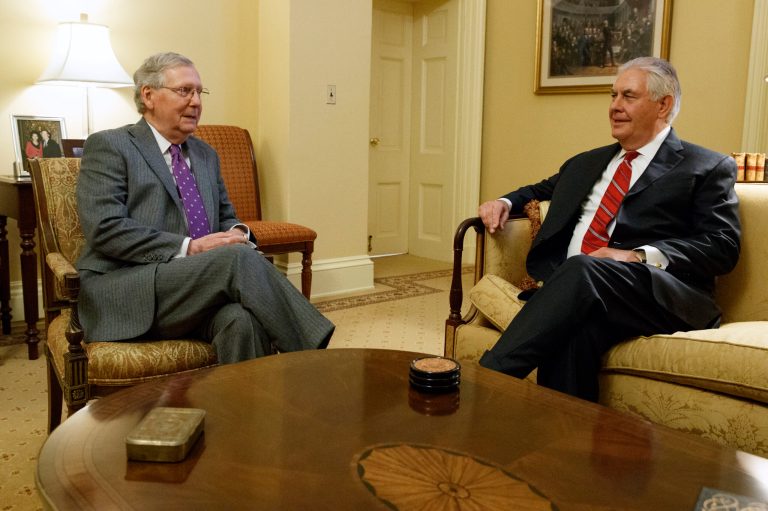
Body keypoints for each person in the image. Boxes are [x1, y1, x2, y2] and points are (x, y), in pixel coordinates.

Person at [477, 57, 740, 402]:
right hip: (582, 291)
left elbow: (722, 245)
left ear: (664, 105)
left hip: (660, 294)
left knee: (585, 268)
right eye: (613, 95)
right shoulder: (587, 162)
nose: (614, 106)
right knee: (573, 332)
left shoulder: (705, 167)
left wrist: (636, 255)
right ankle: (565, 447)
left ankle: (481, 380)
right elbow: (539, 190)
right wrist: (504, 202)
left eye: (628, 97)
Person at [76, 52, 334, 363]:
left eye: (200, 92)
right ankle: (315, 362)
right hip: (131, 288)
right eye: (184, 91)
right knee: (236, 261)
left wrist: (236, 233)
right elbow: (105, 228)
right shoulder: (111, 145)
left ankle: (246, 411)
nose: (196, 101)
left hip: (195, 291)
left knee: (243, 321)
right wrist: (191, 247)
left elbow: (227, 216)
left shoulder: (205, 154)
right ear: (149, 96)